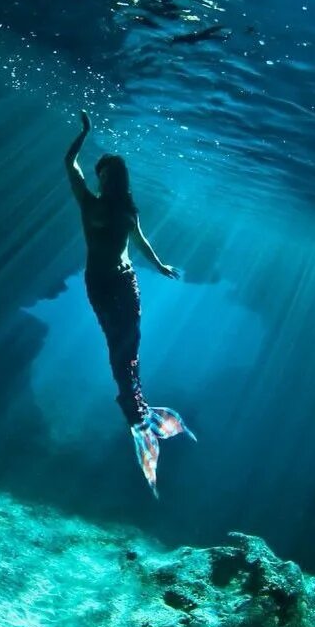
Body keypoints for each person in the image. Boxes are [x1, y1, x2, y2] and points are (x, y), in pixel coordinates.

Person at [65, 109, 195, 495]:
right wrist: (84, 133)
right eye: (101, 173)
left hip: (126, 282)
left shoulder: (126, 210)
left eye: (108, 173)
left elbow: (140, 241)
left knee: (131, 347)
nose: (103, 177)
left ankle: (142, 413)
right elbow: (70, 164)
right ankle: (136, 415)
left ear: (118, 178)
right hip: (101, 284)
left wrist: (160, 265)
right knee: (118, 348)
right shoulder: (88, 202)